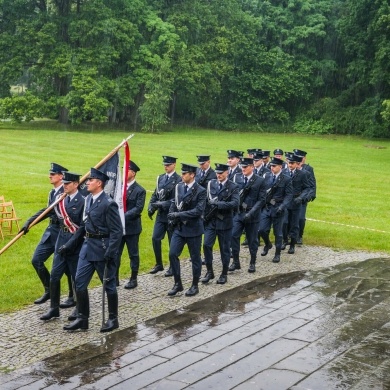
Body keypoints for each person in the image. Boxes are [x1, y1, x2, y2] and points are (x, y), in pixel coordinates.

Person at [63, 168, 123, 332]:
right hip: (87, 246)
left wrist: (111, 251)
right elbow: (84, 225)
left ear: (99, 183)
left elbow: (117, 231)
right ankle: (83, 318)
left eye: (91, 180)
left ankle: (113, 319)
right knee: (80, 283)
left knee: (108, 285)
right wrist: (70, 244)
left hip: (103, 249)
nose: (87, 182)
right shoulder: (88, 199)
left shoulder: (108, 204)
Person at [20, 163, 74, 307]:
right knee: (36, 260)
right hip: (51, 231)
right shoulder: (52, 193)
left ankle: (72, 295)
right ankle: (49, 290)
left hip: (64, 231)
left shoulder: (65, 191)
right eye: (50, 173)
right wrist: (29, 223)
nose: (50, 176)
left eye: (53, 174)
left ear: (61, 176)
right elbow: (47, 210)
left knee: (68, 266)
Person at [40, 171, 84, 321]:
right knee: (54, 275)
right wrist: (28, 223)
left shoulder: (83, 200)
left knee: (76, 277)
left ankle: (79, 308)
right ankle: (54, 308)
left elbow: (83, 227)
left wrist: (70, 244)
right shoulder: (61, 199)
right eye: (64, 183)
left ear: (76, 184)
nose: (64, 186)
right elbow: (46, 211)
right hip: (61, 239)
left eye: (67, 184)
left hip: (75, 243)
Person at [167, 163, 206, 296]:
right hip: (179, 228)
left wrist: (178, 215)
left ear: (192, 175)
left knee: (195, 258)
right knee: (172, 254)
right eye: (182, 173)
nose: (182, 176)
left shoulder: (200, 190)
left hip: (193, 229)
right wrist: (172, 214)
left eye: (184, 174)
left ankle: (195, 285)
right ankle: (178, 283)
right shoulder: (179, 187)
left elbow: (198, 211)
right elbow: (174, 202)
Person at [202, 163, 239, 284]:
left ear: (227, 173)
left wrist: (219, 204)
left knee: (224, 249)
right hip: (211, 222)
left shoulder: (233, 186)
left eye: (221, 173)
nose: (218, 175)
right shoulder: (211, 184)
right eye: (217, 173)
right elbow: (206, 200)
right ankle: (209, 271)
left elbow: (235, 203)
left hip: (225, 223)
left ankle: (224, 273)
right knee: (207, 245)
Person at [229, 157, 266, 273]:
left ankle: (252, 262)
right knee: (233, 236)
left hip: (252, 214)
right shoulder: (237, 177)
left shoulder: (260, 180)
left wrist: (251, 213)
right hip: (239, 213)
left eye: (245, 167)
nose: (243, 169)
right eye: (242, 167)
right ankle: (235, 261)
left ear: (252, 167)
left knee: (252, 240)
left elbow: (261, 200)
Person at [148, 156, 181, 276]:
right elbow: (155, 194)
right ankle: (159, 263)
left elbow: (176, 199)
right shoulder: (160, 178)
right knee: (155, 238)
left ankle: (173, 266)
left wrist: (162, 203)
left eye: (168, 165)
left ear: (174, 165)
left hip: (171, 216)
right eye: (165, 165)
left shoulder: (179, 180)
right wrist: (151, 206)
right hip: (161, 216)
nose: (166, 167)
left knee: (172, 241)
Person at [117, 161, 146, 289]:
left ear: (133, 173)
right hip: (118, 227)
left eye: (127, 170)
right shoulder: (119, 187)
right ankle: (114, 277)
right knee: (116, 253)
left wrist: (123, 217)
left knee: (133, 254)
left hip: (131, 227)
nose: (124, 172)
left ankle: (133, 278)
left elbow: (138, 209)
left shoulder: (140, 190)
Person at [259, 157, 293, 263]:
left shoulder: (286, 179)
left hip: (278, 207)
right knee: (262, 230)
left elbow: (289, 195)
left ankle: (277, 254)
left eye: (274, 166)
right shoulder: (267, 176)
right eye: (271, 166)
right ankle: (268, 244)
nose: (272, 168)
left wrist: (282, 206)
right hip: (267, 207)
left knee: (278, 233)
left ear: (280, 167)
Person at [282, 154, 311, 254]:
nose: (290, 165)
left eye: (292, 163)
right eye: (289, 163)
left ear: (296, 164)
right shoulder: (283, 172)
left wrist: (301, 197)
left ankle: (292, 244)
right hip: (285, 202)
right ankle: (285, 240)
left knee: (295, 224)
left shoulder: (302, 174)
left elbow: (307, 188)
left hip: (295, 202)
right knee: (284, 222)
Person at [294, 149, 316, 245]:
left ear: (304, 158)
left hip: (302, 197)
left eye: (301, 158)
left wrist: (310, 195)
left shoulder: (308, 169)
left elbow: (312, 184)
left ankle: (299, 235)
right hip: (291, 198)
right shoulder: (290, 168)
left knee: (301, 218)